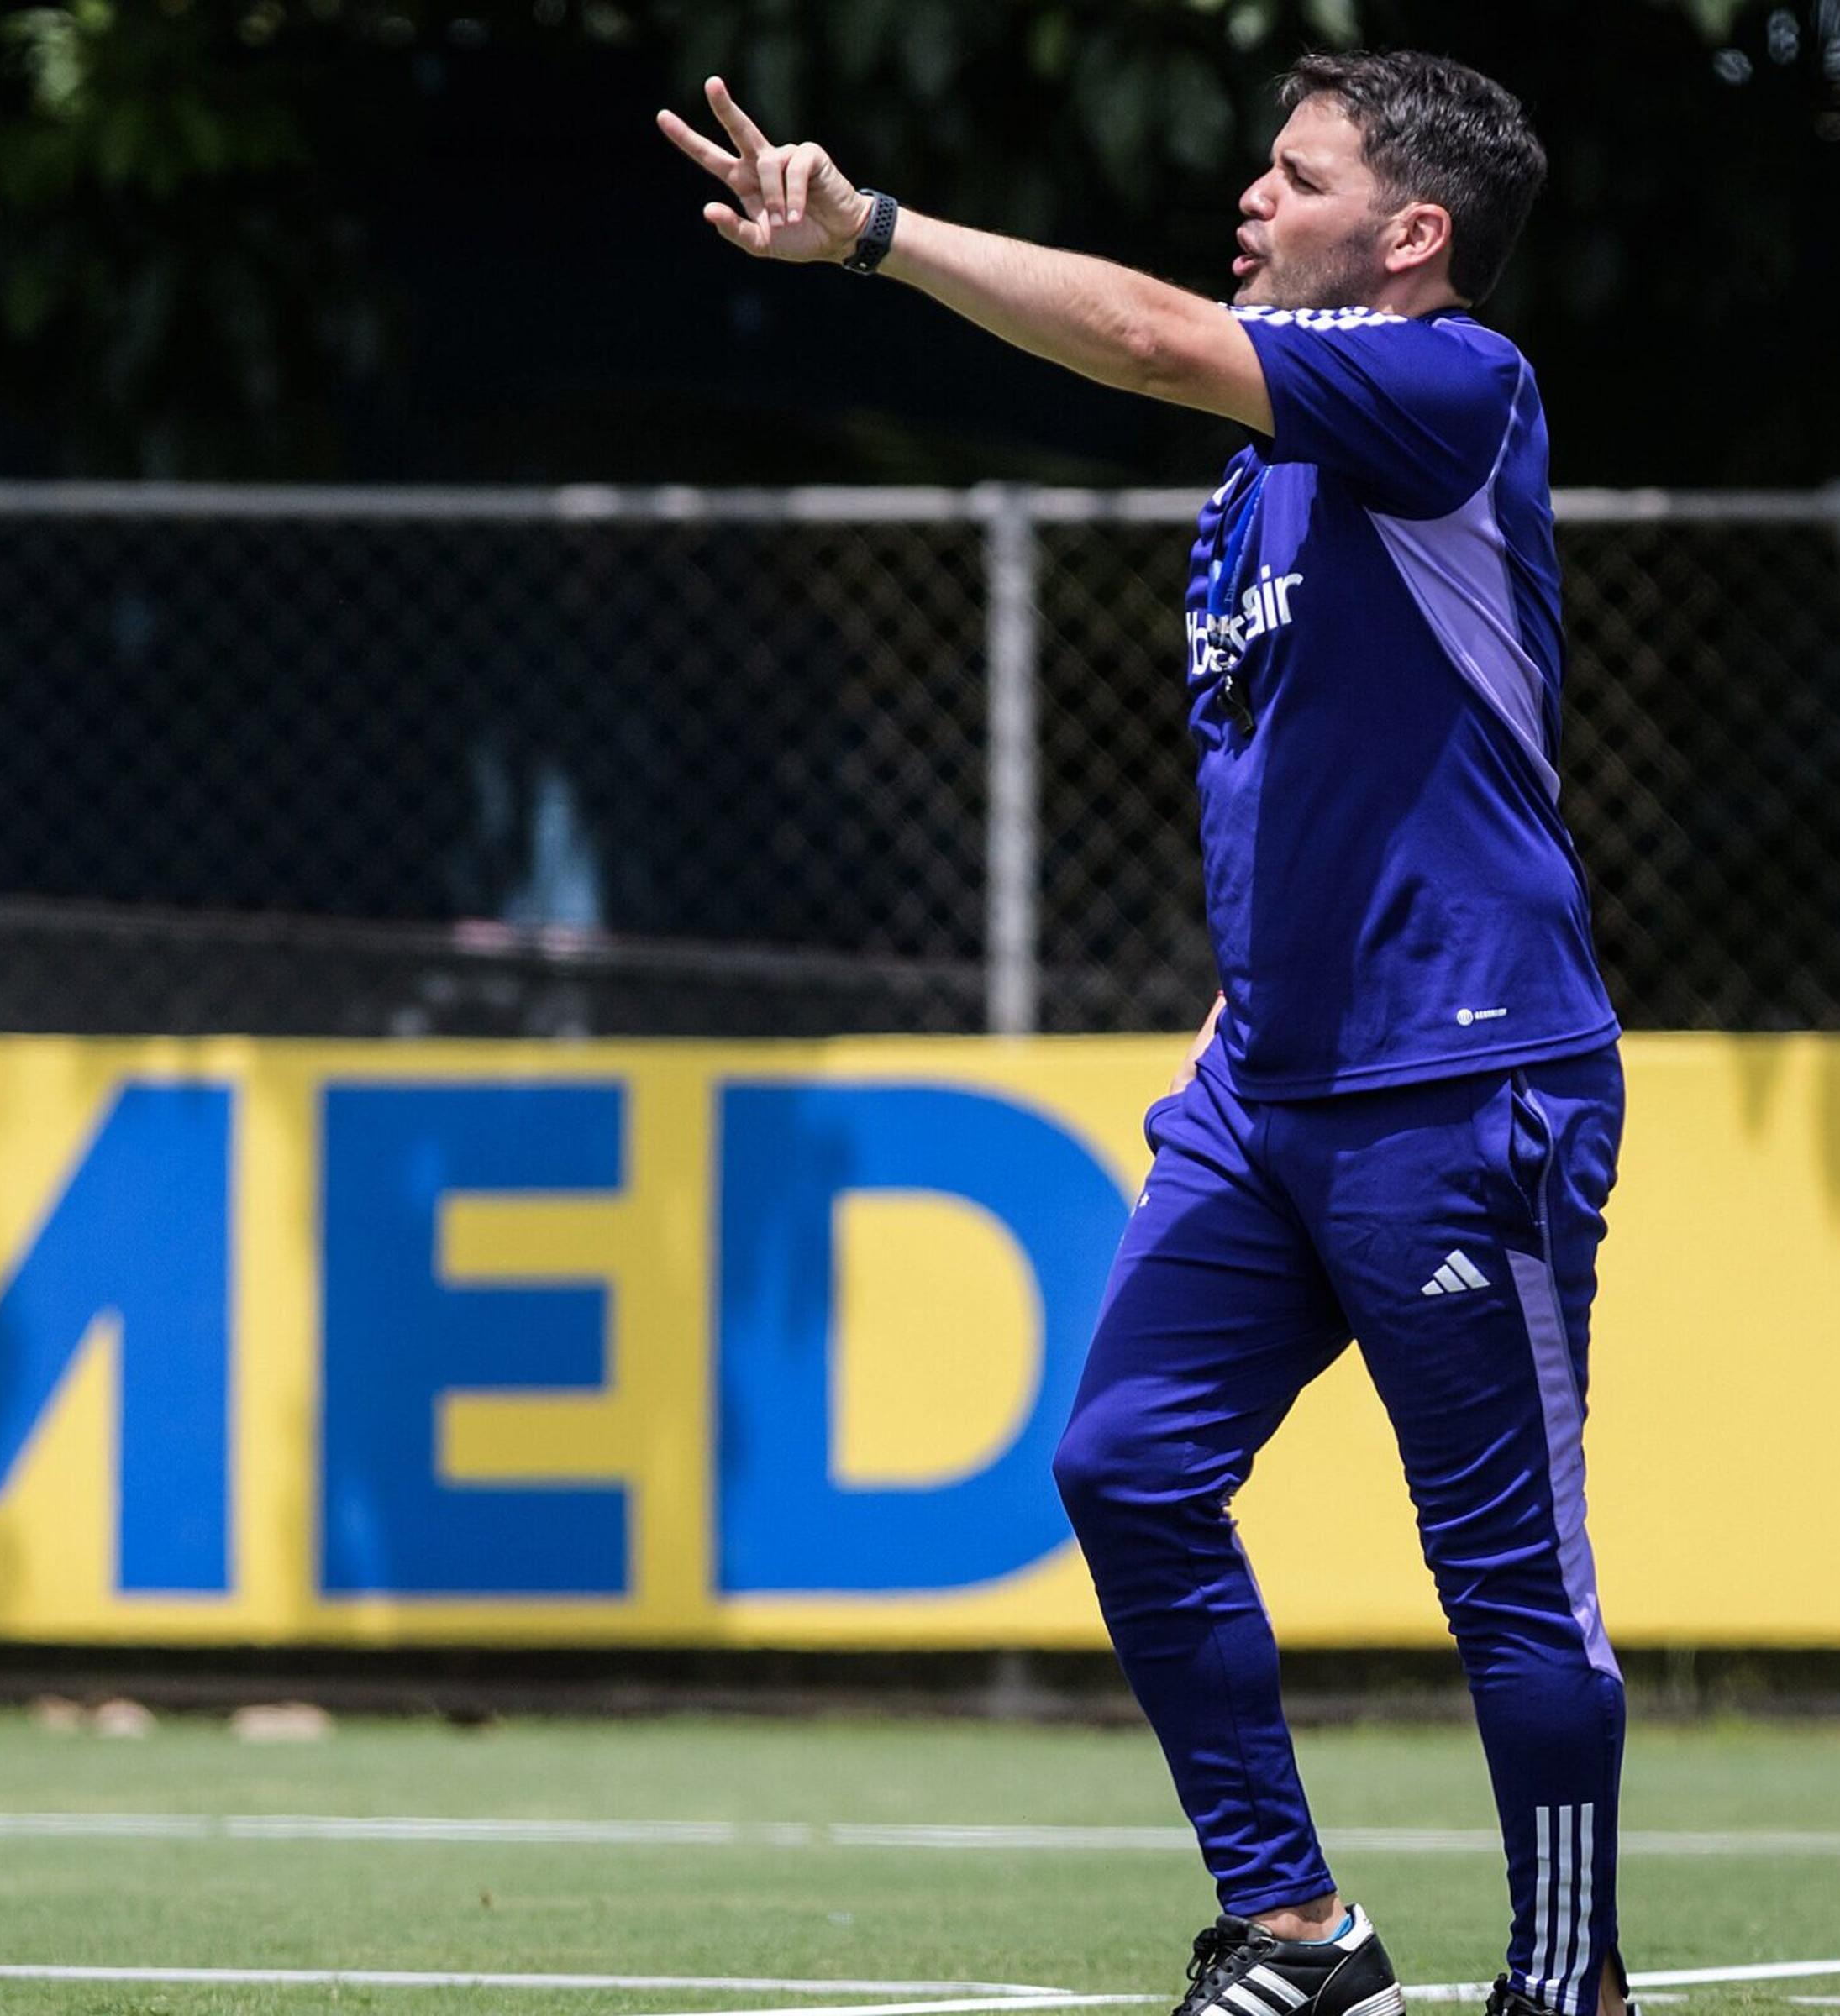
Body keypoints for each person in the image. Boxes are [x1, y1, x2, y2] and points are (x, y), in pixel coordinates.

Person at [660, 49, 1631, 2016]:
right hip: (1267, 1094)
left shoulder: (1459, 388)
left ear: (1412, 234)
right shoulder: (1261, 490)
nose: (1254, 200)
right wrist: (1242, 1009)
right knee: (1123, 1465)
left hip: (1465, 1079)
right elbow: (1303, 772)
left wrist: (875, 236)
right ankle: (1296, 1927)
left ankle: (1572, 1982)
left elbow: (1149, 335)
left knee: (1507, 1583)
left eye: (1299, 175)